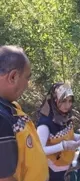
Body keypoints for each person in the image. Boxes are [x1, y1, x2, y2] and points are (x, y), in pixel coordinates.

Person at [0, 45, 49, 181]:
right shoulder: (1, 118)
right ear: (13, 77)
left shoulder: (11, 107)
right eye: (27, 78)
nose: (27, 84)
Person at [36, 82, 80, 181]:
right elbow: (39, 150)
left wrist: (78, 137)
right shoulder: (45, 123)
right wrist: (63, 146)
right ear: (55, 100)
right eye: (64, 101)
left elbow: (64, 135)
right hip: (52, 172)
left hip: (67, 167)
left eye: (70, 101)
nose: (67, 105)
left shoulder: (64, 116)